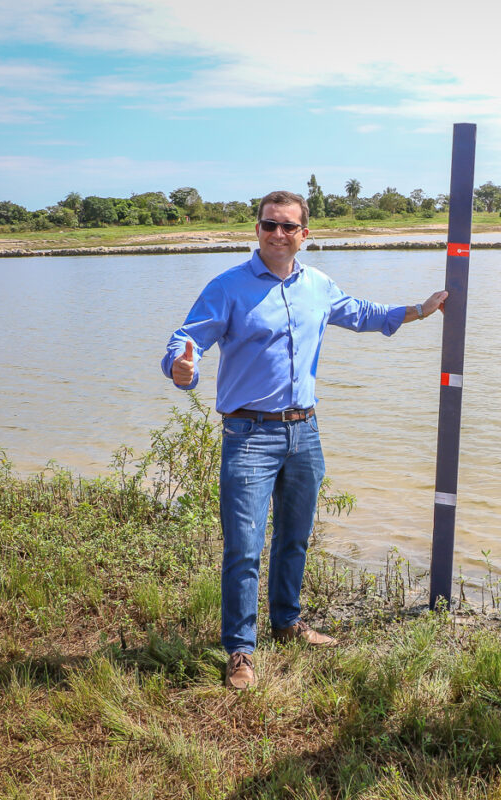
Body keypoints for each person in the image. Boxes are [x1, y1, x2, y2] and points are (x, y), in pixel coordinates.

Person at [162, 190, 447, 690]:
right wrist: (182, 369)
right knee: (244, 546)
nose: (278, 234)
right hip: (248, 434)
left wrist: (419, 310)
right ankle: (240, 650)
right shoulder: (227, 287)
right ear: (257, 230)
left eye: (288, 226)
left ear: (304, 235)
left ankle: (287, 622)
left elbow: (361, 313)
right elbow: (186, 341)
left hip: (304, 432)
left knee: (294, 537)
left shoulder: (318, 285)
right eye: (269, 224)